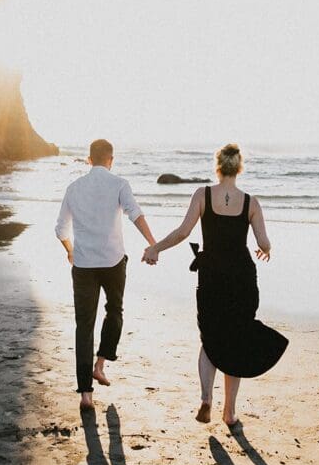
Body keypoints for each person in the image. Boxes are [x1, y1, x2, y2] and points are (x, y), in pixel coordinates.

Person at [142, 143, 288, 427]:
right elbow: (263, 242)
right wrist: (267, 249)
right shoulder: (251, 203)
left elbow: (183, 232)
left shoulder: (203, 195)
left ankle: (206, 398)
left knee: (210, 338)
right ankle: (229, 412)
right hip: (242, 279)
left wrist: (156, 248)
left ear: (218, 166)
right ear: (240, 167)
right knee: (237, 339)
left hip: (211, 277)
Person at [55, 138, 156, 409]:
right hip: (113, 263)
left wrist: (70, 250)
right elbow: (136, 214)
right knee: (115, 311)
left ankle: (85, 394)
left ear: (89, 159)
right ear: (111, 160)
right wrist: (152, 243)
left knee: (84, 326)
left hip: (84, 265)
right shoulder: (119, 184)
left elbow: (60, 229)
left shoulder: (74, 188)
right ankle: (100, 364)